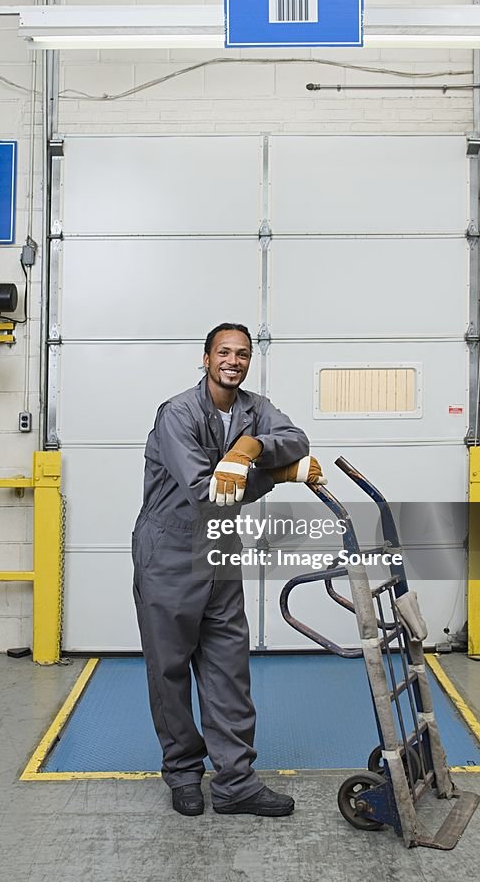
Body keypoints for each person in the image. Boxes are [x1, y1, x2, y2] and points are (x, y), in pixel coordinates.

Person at [132, 322, 326, 817]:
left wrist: (252, 449)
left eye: (241, 354)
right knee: (170, 670)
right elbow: (208, 491)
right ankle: (182, 772)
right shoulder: (178, 413)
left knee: (228, 668)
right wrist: (280, 474)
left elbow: (296, 437)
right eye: (224, 352)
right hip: (169, 552)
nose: (233, 361)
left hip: (220, 552)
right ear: (206, 358)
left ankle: (236, 783)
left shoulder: (254, 409)